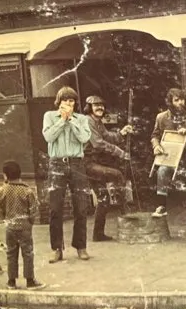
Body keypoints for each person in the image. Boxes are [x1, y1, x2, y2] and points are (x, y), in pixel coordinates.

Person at [43, 86, 92, 262]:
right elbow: (48, 137)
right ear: (59, 102)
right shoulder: (49, 116)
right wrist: (62, 120)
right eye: (65, 100)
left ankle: (81, 246)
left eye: (71, 101)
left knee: (81, 207)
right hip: (57, 163)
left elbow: (84, 138)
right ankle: (56, 248)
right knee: (55, 208)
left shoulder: (82, 119)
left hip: (77, 163)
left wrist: (71, 120)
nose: (68, 104)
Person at [151, 87, 186, 238]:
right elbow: (155, 135)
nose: (180, 103)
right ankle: (161, 206)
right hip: (170, 158)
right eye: (176, 100)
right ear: (170, 102)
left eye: (182, 99)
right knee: (162, 170)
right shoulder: (161, 117)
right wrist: (156, 146)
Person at [84, 94, 136, 242]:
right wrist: (120, 153)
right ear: (89, 108)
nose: (100, 107)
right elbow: (98, 144)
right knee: (117, 175)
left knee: (104, 199)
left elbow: (108, 137)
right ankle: (125, 212)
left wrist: (121, 133)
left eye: (101, 105)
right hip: (87, 164)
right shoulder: (88, 121)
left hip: (95, 163)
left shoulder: (97, 122)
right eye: (96, 105)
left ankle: (98, 234)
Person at [0, 160, 43, 289]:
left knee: (11, 253)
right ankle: (30, 280)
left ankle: (11, 281)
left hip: (10, 227)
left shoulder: (1, 190)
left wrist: (5, 220)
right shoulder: (27, 191)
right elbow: (33, 210)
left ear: (5, 175)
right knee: (27, 253)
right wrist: (30, 222)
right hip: (24, 227)